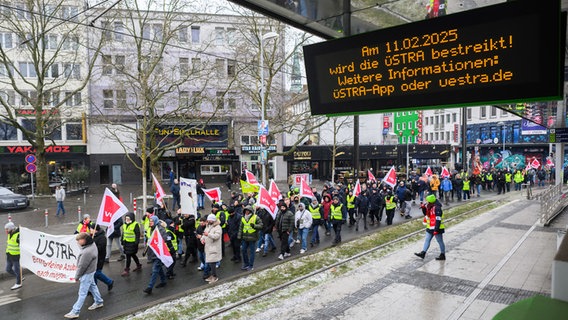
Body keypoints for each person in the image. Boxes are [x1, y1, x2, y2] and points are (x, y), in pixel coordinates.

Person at [64, 232, 104, 319]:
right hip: (91, 271)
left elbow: (82, 266)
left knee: (82, 293)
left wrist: (77, 277)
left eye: (79, 240)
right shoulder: (92, 245)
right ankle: (99, 301)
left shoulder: (87, 252)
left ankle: (75, 311)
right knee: (93, 286)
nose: (78, 242)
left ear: (84, 240)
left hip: (86, 273)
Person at [414, 194, 446, 261]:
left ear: (430, 201)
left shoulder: (437, 208)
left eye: (427, 200)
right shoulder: (429, 206)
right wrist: (423, 208)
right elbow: (426, 214)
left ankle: (442, 254)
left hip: (437, 228)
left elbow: (438, 219)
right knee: (427, 240)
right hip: (430, 227)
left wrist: (436, 229)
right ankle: (423, 253)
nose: (426, 201)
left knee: (440, 241)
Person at [143, 216, 170, 294]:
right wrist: (145, 251)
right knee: (159, 268)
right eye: (149, 221)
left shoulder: (160, 229)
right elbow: (149, 241)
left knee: (155, 270)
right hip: (153, 252)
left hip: (159, 253)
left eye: (151, 221)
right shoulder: (151, 229)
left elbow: (164, 239)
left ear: (155, 221)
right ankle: (163, 281)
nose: (150, 222)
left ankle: (149, 287)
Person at [237, 205, 263, 271]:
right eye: (245, 211)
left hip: (252, 237)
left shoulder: (255, 217)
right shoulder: (243, 218)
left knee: (252, 252)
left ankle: (251, 265)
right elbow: (241, 227)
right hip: (245, 237)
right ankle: (246, 264)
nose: (246, 212)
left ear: (250, 211)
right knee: (243, 250)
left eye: (248, 211)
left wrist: (254, 226)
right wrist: (239, 236)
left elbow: (261, 225)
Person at [202, 214, 223, 283]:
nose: (208, 221)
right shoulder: (208, 226)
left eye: (210, 220)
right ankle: (212, 275)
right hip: (208, 247)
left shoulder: (218, 227)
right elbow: (204, 234)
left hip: (214, 248)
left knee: (212, 262)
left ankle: (214, 276)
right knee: (210, 262)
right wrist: (202, 239)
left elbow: (216, 236)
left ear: (213, 220)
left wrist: (208, 235)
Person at [92, 225, 114, 291]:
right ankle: (93, 288)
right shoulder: (93, 236)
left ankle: (109, 282)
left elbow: (100, 248)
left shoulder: (102, 238)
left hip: (100, 258)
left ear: (95, 230)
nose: (90, 230)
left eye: (91, 229)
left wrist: (92, 248)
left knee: (96, 273)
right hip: (94, 257)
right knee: (93, 273)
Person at [121, 212, 142, 276]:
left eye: (128, 218)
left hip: (132, 243)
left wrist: (136, 242)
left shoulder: (135, 224)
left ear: (132, 218)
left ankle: (127, 270)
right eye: (126, 218)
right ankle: (138, 265)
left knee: (128, 256)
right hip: (126, 243)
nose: (127, 220)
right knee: (133, 255)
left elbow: (137, 234)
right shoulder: (124, 225)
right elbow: (124, 233)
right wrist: (122, 240)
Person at [5, 222, 22, 290]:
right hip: (9, 255)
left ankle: (18, 283)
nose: (6, 231)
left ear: (11, 229)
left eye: (7, 229)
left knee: (16, 269)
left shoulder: (18, 235)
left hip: (15, 256)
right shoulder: (10, 234)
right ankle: (19, 277)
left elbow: (22, 245)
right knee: (8, 269)